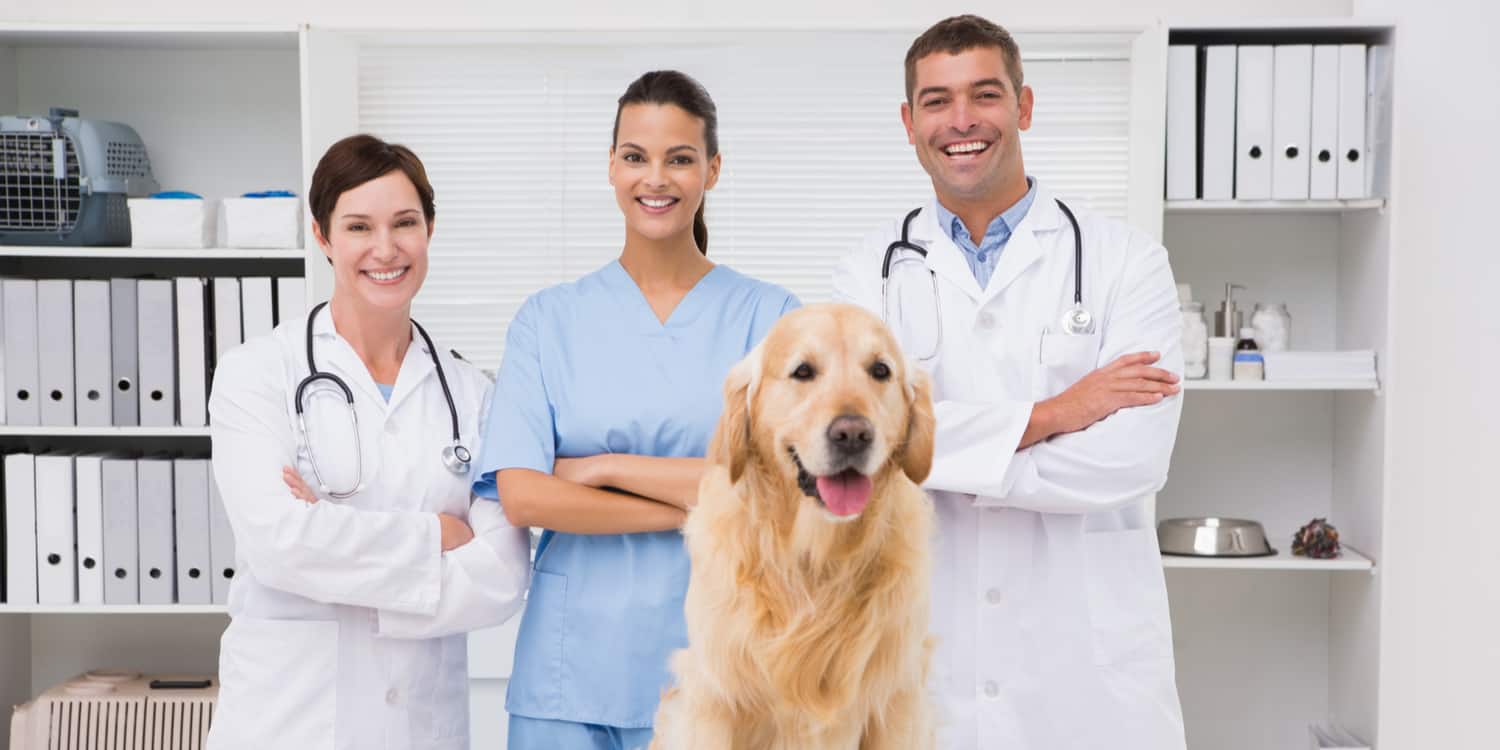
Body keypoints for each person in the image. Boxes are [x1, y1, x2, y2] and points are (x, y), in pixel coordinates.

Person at [832, 15, 1188, 750]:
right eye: (936, 101)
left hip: (1084, 673)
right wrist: (1060, 412)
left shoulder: (1128, 262)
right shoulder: (866, 273)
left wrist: (937, 457)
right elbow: (860, 441)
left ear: (1023, 106)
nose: (961, 121)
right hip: (923, 655)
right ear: (909, 122)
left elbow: (1131, 459)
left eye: (984, 95)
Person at [472, 70, 799, 750]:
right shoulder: (548, 320)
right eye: (635, 156)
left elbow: (780, 488)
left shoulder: (771, 320)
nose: (657, 178)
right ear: (612, 167)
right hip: (571, 678)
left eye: (680, 158)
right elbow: (525, 495)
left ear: (712, 168)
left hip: (728, 672)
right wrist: (697, 501)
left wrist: (601, 467)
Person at [206, 134, 531, 750]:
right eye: (359, 226)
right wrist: (438, 536)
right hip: (289, 724)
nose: (385, 249)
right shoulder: (258, 374)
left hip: (422, 727)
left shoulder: (474, 394)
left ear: (429, 229)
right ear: (324, 237)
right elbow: (279, 545)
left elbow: (502, 575)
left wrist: (332, 546)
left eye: (404, 223)